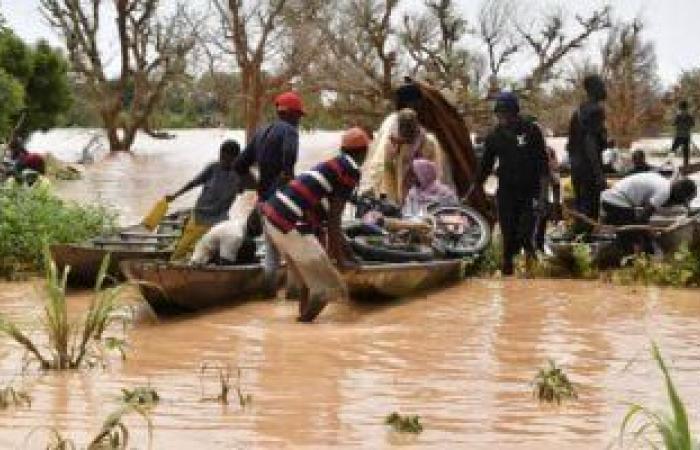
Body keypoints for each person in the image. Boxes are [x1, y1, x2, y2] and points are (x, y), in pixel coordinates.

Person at [260, 127, 370, 322]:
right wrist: (341, 260)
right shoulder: (350, 169)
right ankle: (303, 328)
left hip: (272, 217)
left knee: (309, 282)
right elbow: (335, 219)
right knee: (328, 289)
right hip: (290, 221)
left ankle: (302, 326)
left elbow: (330, 222)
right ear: (363, 152)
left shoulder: (334, 165)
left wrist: (349, 253)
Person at [234, 91, 304, 294]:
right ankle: (293, 294)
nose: (299, 120)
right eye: (298, 115)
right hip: (283, 200)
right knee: (293, 248)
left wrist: (255, 184)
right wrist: (289, 180)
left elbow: (239, 164)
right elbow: (289, 156)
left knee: (271, 252)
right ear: (291, 114)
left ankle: (268, 294)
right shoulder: (290, 131)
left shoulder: (261, 133)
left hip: (264, 201)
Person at [476, 92, 548, 275]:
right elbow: (485, 168)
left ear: (515, 112)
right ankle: (508, 284)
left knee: (525, 235)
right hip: (506, 193)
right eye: (499, 114)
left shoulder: (532, 131)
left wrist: (543, 198)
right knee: (509, 241)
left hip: (530, 192)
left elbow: (543, 166)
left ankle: (534, 274)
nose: (503, 118)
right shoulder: (494, 137)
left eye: (507, 113)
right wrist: (473, 191)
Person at [360, 80, 453, 198]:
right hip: (394, 188)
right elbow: (380, 164)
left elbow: (436, 170)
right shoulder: (392, 126)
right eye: (415, 104)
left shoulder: (429, 138)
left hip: (424, 193)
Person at [167, 139, 242, 259]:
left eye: (227, 159)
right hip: (200, 215)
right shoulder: (213, 168)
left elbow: (257, 188)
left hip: (220, 219)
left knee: (215, 249)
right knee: (183, 247)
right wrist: (175, 195)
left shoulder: (240, 174)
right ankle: (175, 264)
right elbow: (193, 183)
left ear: (236, 158)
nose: (223, 161)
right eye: (221, 157)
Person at [601, 173, 697, 254]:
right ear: (678, 195)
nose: (674, 204)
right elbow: (642, 219)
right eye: (679, 202)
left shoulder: (664, 183)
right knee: (633, 240)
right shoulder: (664, 192)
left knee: (631, 236)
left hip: (612, 199)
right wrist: (651, 236)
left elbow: (643, 216)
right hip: (616, 201)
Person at [567, 74, 609, 234]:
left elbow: (573, 144)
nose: (605, 89)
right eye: (602, 85)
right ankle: (586, 247)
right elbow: (590, 144)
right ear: (594, 89)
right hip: (589, 169)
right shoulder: (596, 110)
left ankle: (577, 244)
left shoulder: (578, 111)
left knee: (581, 208)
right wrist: (599, 174)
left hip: (576, 168)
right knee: (591, 211)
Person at [381, 108, 450, 204]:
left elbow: (436, 169)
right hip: (403, 190)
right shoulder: (396, 142)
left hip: (426, 193)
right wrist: (392, 197)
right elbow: (388, 169)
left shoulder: (429, 142)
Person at [535, 145, 562, 250]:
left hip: (542, 204)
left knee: (541, 222)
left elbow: (556, 186)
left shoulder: (549, 171)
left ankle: (539, 247)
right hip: (533, 203)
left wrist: (555, 210)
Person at [671, 100, 695, 171]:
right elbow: (693, 124)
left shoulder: (678, 115)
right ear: (686, 107)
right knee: (686, 152)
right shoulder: (689, 116)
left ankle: (669, 162)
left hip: (679, 136)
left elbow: (673, 124)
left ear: (680, 107)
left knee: (673, 150)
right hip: (686, 136)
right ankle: (686, 165)